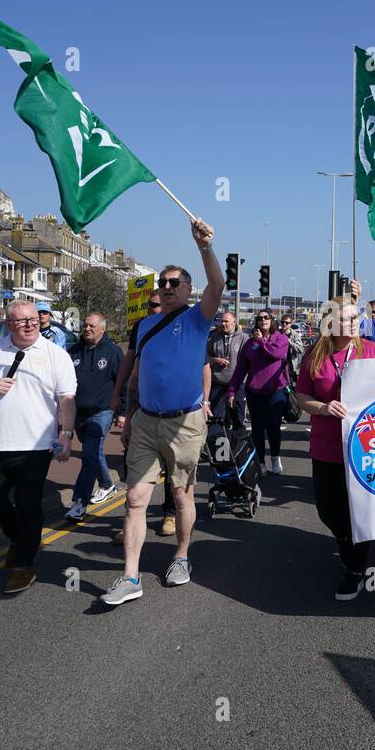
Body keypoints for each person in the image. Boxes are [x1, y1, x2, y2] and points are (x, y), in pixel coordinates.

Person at [101, 217, 223, 607]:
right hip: (146, 421)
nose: (166, 288)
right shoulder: (144, 325)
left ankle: (181, 556)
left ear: (188, 289)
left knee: (181, 495)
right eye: (163, 283)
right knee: (135, 499)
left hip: (184, 423)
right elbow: (137, 372)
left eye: (174, 283)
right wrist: (128, 414)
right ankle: (130, 576)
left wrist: (204, 247)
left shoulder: (197, 318)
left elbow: (218, 286)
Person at [0, 300, 76, 594]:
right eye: (22, 320)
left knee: (28, 505)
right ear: (8, 324)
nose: (30, 324)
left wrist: (66, 434)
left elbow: (66, 399)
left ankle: (25, 563)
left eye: (33, 319)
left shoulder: (55, 355)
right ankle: (21, 538)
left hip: (36, 445)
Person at [294, 292, 375, 601]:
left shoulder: (373, 351)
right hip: (327, 446)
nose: (353, 322)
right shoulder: (314, 356)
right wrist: (322, 408)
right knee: (328, 510)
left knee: (358, 510)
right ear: (329, 322)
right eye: (346, 317)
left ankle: (356, 568)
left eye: (356, 317)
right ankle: (348, 543)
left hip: (365, 448)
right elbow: (302, 398)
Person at [110, 290, 177, 538]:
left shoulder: (179, 325)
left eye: (158, 305)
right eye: (150, 305)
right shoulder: (141, 327)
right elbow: (130, 363)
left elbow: (199, 365)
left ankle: (170, 514)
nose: (154, 309)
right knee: (135, 468)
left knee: (171, 469)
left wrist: (203, 401)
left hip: (172, 407)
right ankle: (132, 521)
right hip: (141, 401)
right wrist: (119, 396)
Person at [65, 313, 122, 520]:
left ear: (102, 329)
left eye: (92, 325)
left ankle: (79, 503)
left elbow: (122, 383)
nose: (87, 328)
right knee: (93, 453)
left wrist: (122, 413)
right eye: (85, 325)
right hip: (77, 413)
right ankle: (107, 484)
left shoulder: (113, 352)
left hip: (102, 412)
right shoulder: (73, 351)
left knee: (89, 456)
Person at [227, 309, 291, 475]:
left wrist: (261, 341)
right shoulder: (250, 343)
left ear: (272, 320)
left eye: (266, 317)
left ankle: (275, 457)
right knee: (257, 429)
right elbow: (240, 369)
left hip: (276, 390)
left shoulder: (281, 338)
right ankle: (260, 462)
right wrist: (232, 390)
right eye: (260, 318)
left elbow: (275, 354)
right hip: (255, 392)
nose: (263, 320)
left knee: (273, 427)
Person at [206, 309, 248, 426]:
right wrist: (215, 360)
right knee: (216, 419)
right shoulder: (214, 337)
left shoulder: (243, 338)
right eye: (221, 321)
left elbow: (248, 361)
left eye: (226, 321)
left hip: (237, 385)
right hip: (217, 383)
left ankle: (238, 442)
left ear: (234, 323)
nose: (223, 324)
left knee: (237, 419)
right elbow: (205, 357)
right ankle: (219, 442)